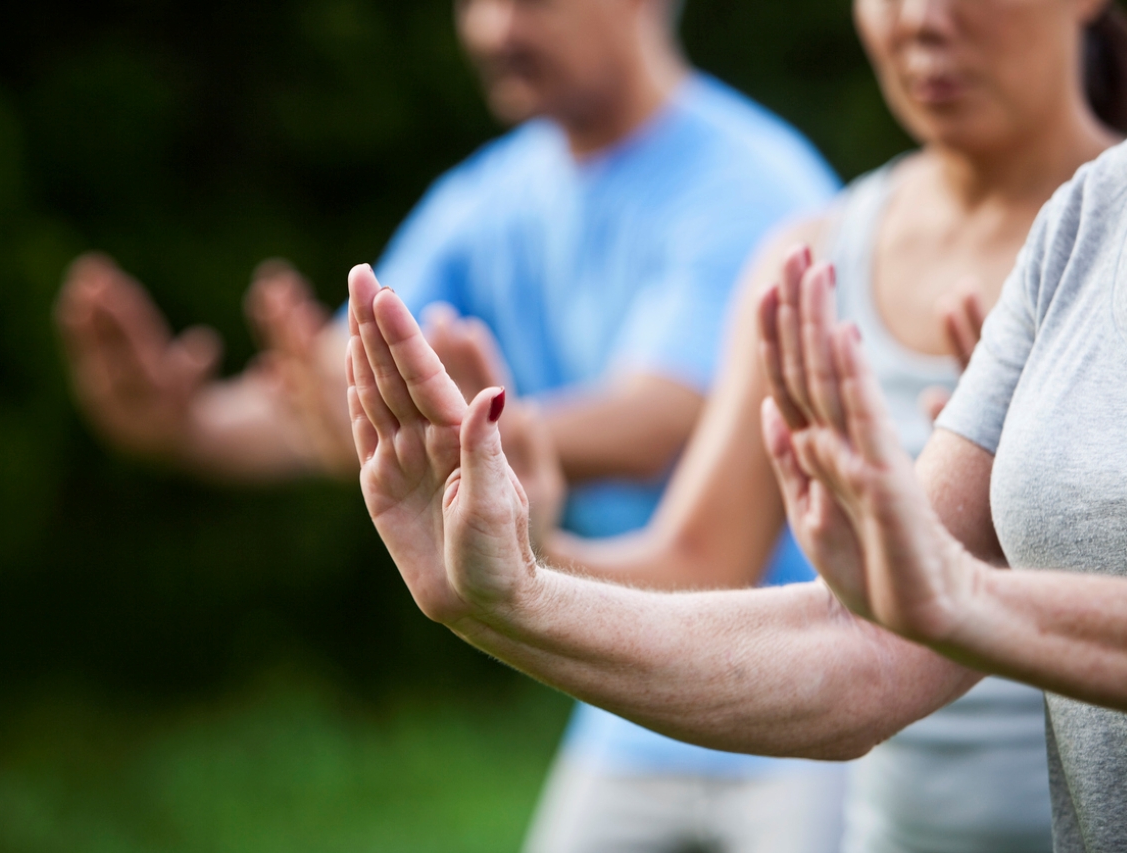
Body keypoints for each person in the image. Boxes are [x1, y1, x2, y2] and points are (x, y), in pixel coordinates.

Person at [54, 1, 844, 850]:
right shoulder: (485, 200)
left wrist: (462, 436)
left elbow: (664, 413)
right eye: (476, 0)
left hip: (806, 684)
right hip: (628, 691)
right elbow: (357, 399)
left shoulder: (755, 183)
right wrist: (187, 427)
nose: (494, 28)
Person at [438, 0, 1127, 848]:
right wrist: (520, 567)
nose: (919, 19)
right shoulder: (833, 261)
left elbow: (917, 613)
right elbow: (839, 635)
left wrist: (976, 582)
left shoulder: (1083, 229)